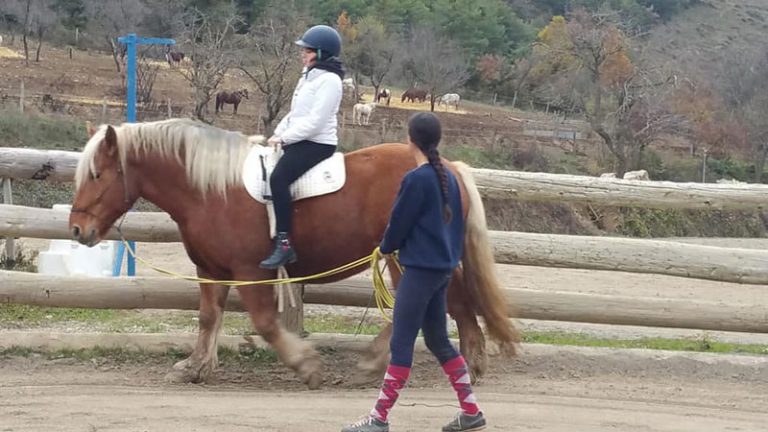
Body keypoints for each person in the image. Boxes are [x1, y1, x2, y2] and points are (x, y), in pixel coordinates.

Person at [341, 113, 487, 432]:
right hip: (442, 271)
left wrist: (385, 247)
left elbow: (398, 224)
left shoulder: (415, 179)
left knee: (402, 344)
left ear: (410, 140)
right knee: (438, 341)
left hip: (419, 272)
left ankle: (378, 418)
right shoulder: (448, 178)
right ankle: (470, 410)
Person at [259, 24, 345, 269]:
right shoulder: (308, 77)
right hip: (300, 138)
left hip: (317, 143)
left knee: (278, 179)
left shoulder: (330, 81)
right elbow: (295, 114)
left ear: (320, 53)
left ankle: (284, 244)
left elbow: (315, 122)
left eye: (307, 50)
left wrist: (285, 139)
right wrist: (277, 133)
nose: (302, 54)